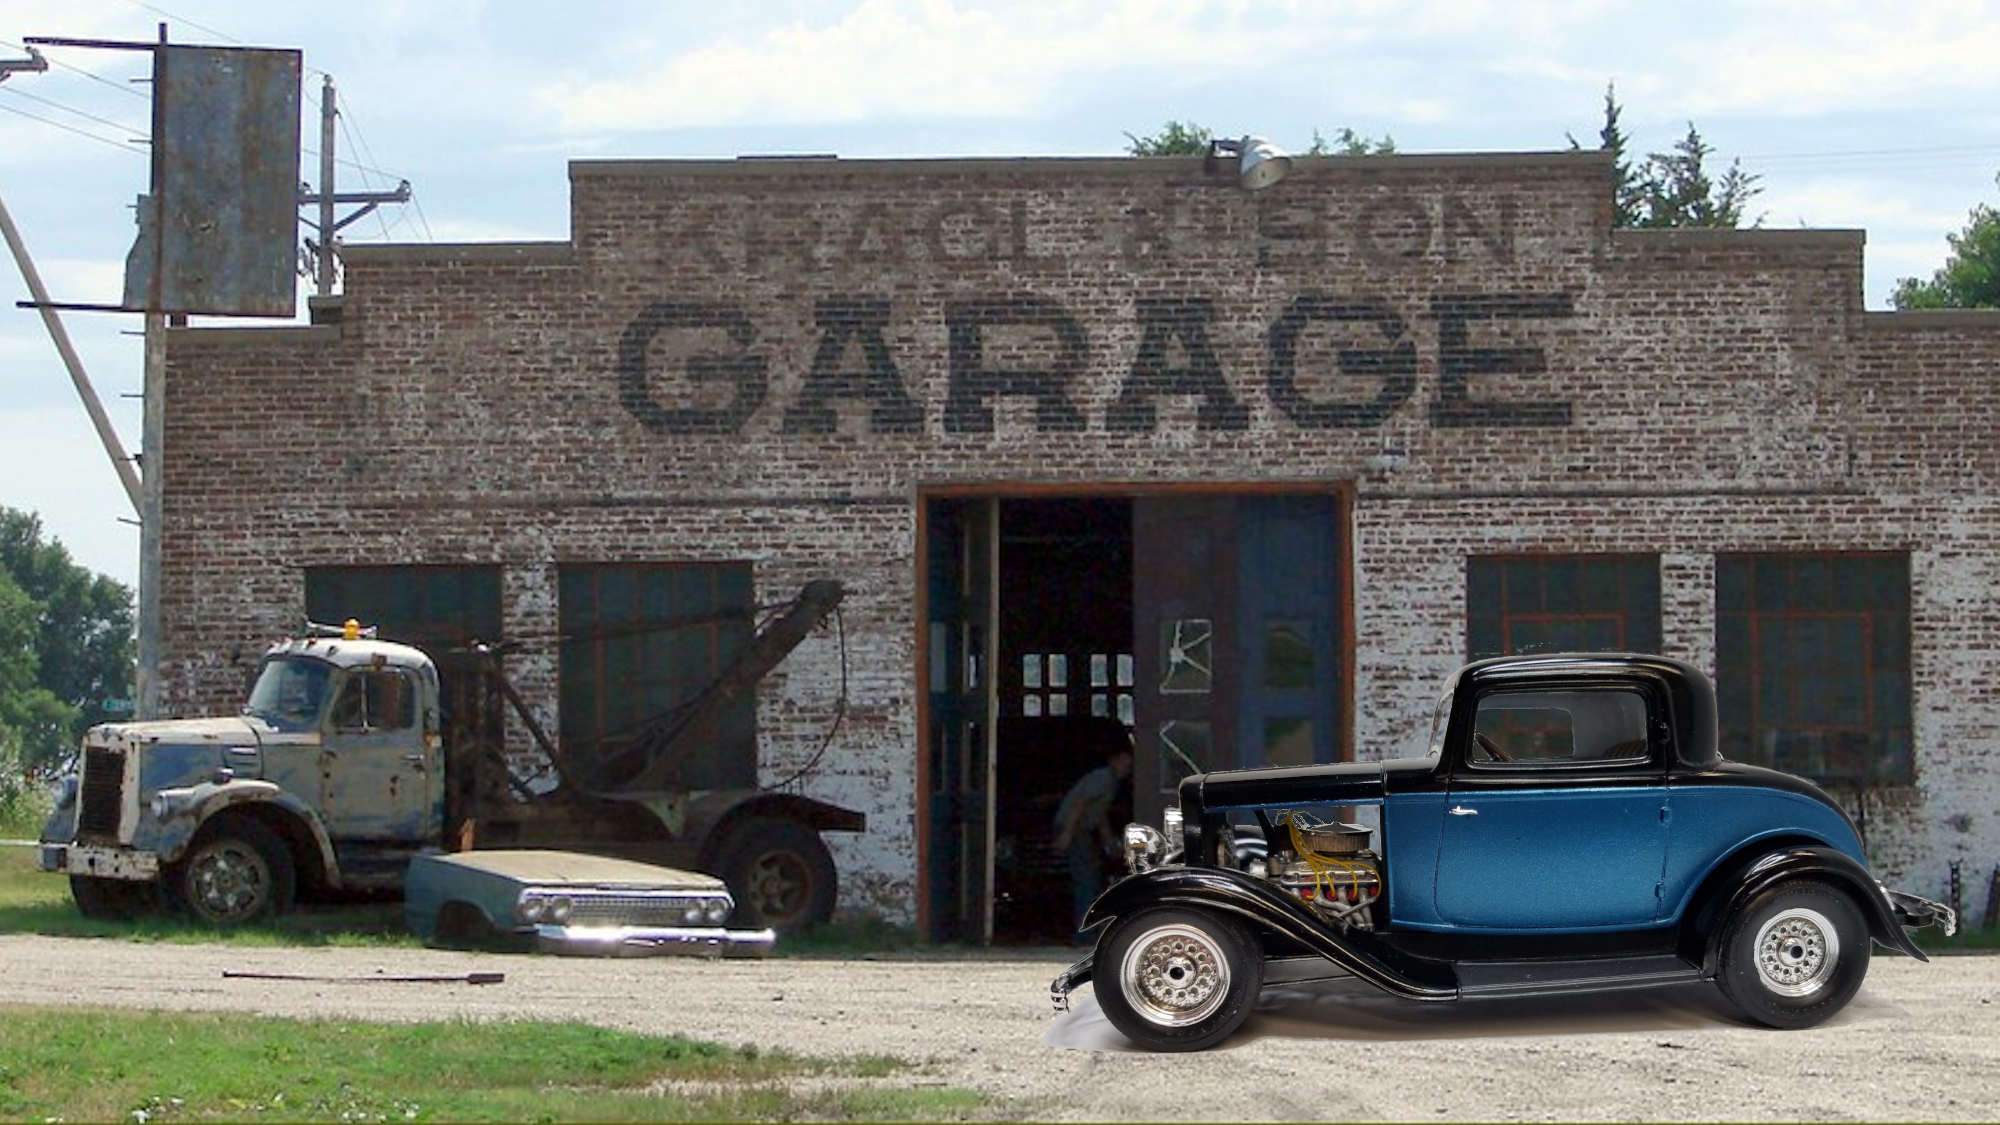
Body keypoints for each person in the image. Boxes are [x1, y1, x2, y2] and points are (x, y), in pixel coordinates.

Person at [1051, 740, 1134, 944]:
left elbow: (1099, 812)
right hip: (1075, 830)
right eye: (1124, 762)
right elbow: (1081, 804)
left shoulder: (1111, 782)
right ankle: (1083, 935)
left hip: (1082, 831)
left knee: (1091, 878)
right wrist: (1067, 834)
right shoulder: (1103, 778)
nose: (1127, 767)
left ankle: (1088, 931)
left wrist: (1108, 841)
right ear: (1113, 761)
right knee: (1086, 880)